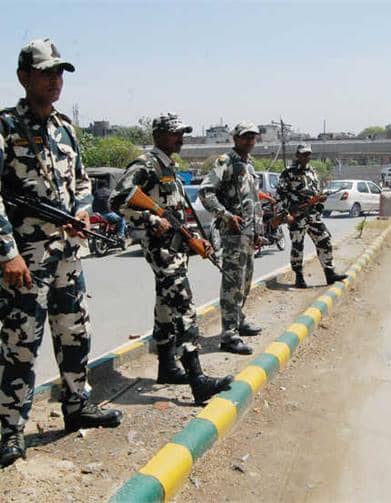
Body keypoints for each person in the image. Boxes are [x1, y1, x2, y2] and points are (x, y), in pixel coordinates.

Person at [0, 38, 122, 466]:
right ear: (24, 77)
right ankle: (12, 429)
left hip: (68, 253)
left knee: (75, 332)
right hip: (27, 258)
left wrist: (83, 212)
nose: (55, 81)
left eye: (59, 73)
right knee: (21, 343)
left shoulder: (66, 128)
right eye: (45, 73)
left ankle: (77, 405)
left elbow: (83, 181)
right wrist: (7, 253)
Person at [110, 113, 232, 404]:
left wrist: (195, 238)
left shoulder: (169, 167)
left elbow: (175, 213)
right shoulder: (146, 164)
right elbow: (117, 199)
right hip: (160, 249)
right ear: (159, 135)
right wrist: (150, 219)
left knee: (165, 307)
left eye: (182, 133)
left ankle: (167, 367)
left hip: (175, 247)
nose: (181, 139)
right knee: (184, 306)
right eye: (175, 133)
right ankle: (198, 379)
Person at [199, 122, 264, 355]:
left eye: (253, 137)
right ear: (235, 139)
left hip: (248, 234)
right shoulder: (225, 162)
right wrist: (225, 216)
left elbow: (253, 200)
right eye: (245, 137)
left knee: (245, 282)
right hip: (233, 234)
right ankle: (229, 335)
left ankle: (238, 320)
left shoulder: (249, 165)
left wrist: (258, 231)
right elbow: (205, 191)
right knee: (232, 284)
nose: (250, 141)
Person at [276, 144, 348, 289]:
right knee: (298, 246)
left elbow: (316, 191)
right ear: (297, 155)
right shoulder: (288, 173)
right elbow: (280, 195)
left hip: (313, 215)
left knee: (325, 240)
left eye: (308, 154)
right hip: (297, 216)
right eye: (303, 154)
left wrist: (320, 198)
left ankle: (329, 273)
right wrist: (286, 214)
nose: (306, 157)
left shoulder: (312, 172)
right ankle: (299, 277)